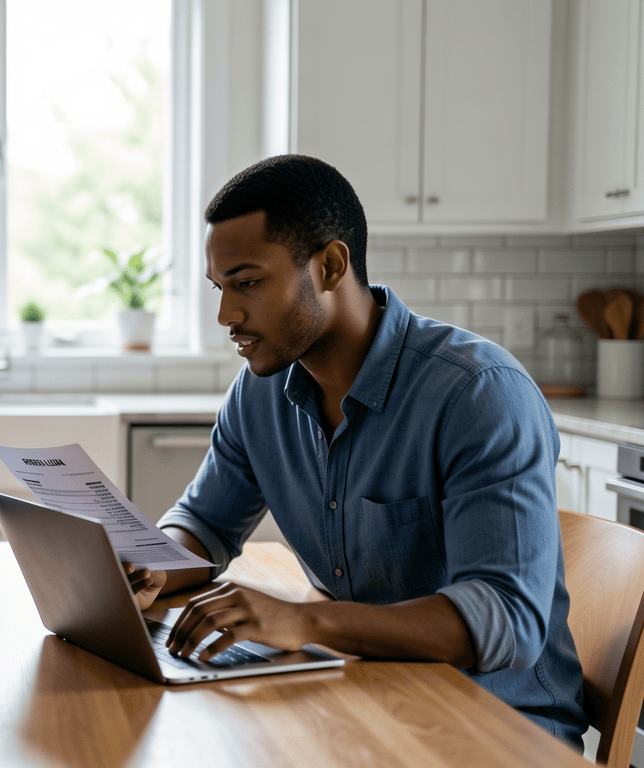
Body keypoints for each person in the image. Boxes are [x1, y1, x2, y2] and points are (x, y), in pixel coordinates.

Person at [130, 154, 587, 745]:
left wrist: (300, 620)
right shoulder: (260, 394)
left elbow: (507, 618)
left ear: (330, 265)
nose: (226, 314)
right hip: (365, 699)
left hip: (498, 732)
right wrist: (149, 563)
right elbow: (204, 522)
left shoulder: (478, 394)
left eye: (247, 283)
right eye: (220, 288)